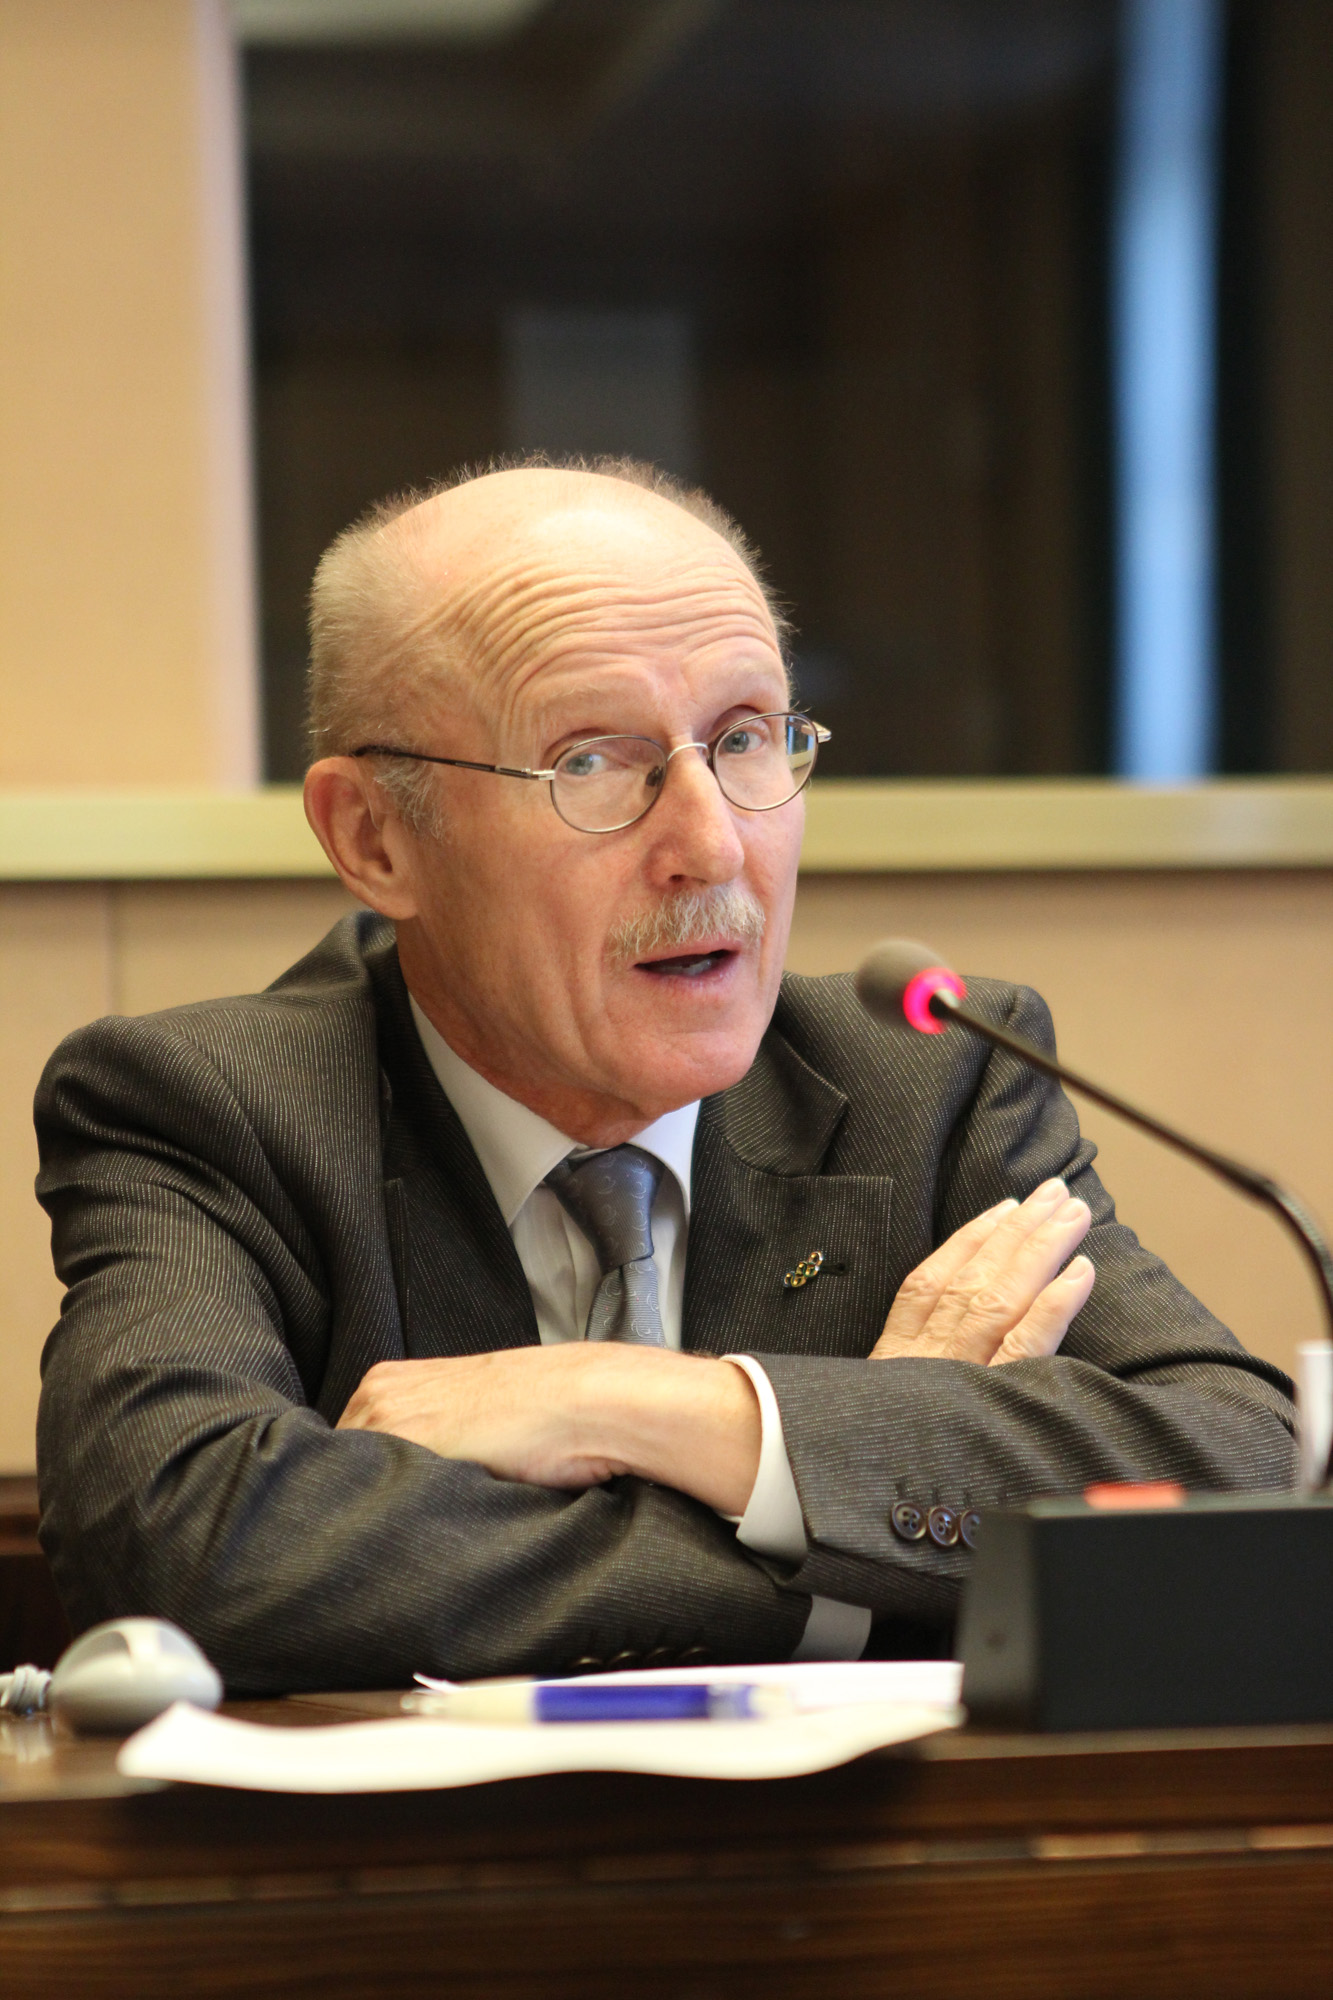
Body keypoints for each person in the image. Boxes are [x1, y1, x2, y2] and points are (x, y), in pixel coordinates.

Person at [34, 460, 1295, 1691]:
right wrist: (841, 1529)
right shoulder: (208, 1107)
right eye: (590, 760)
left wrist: (643, 1404)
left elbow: (1248, 1476)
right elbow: (186, 1547)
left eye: (745, 738)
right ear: (374, 838)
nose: (710, 843)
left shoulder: (931, 1083)